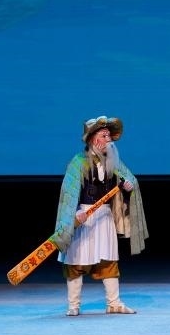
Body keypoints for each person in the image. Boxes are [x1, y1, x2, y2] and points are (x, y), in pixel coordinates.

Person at [52, 115, 149, 317]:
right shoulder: (78, 162)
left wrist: (128, 187)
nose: (108, 140)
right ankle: (73, 305)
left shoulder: (113, 162)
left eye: (109, 136)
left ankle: (114, 303)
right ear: (92, 139)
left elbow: (129, 180)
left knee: (108, 260)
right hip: (83, 217)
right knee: (76, 261)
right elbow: (69, 192)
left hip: (104, 216)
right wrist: (76, 213)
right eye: (104, 136)